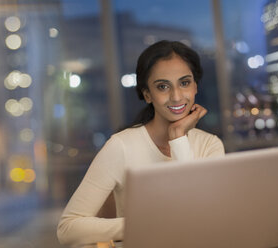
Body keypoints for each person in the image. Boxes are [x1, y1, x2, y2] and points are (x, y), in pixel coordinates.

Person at [57, 40, 225, 246]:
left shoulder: (210, 145)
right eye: (163, 86)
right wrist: (142, 225)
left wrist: (178, 136)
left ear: (195, 87)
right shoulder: (121, 146)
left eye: (184, 83)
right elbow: (68, 228)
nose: (176, 96)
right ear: (147, 94)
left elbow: (201, 221)